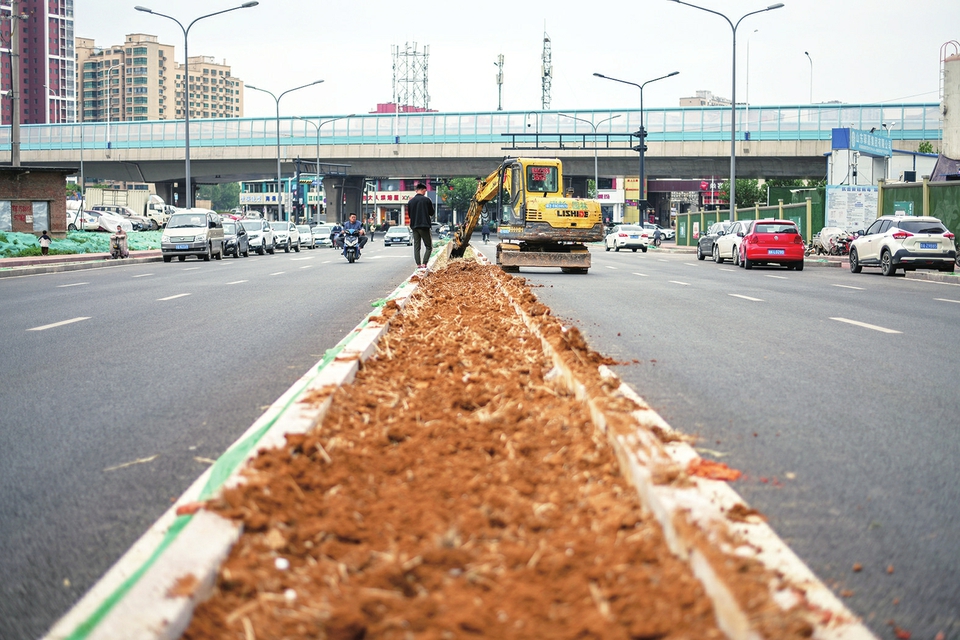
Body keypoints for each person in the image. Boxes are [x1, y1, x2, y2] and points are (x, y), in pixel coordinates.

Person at [407, 182, 434, 269]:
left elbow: (410, 215)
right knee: (429, 246)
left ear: (416, 190)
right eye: (425, 191)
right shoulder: (427, 200)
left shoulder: (410, 202)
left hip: (414, 226)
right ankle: (424, 263)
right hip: (424, 226)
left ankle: (418, 264)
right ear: (423, 190)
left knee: (416, 246)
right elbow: (431, 213)